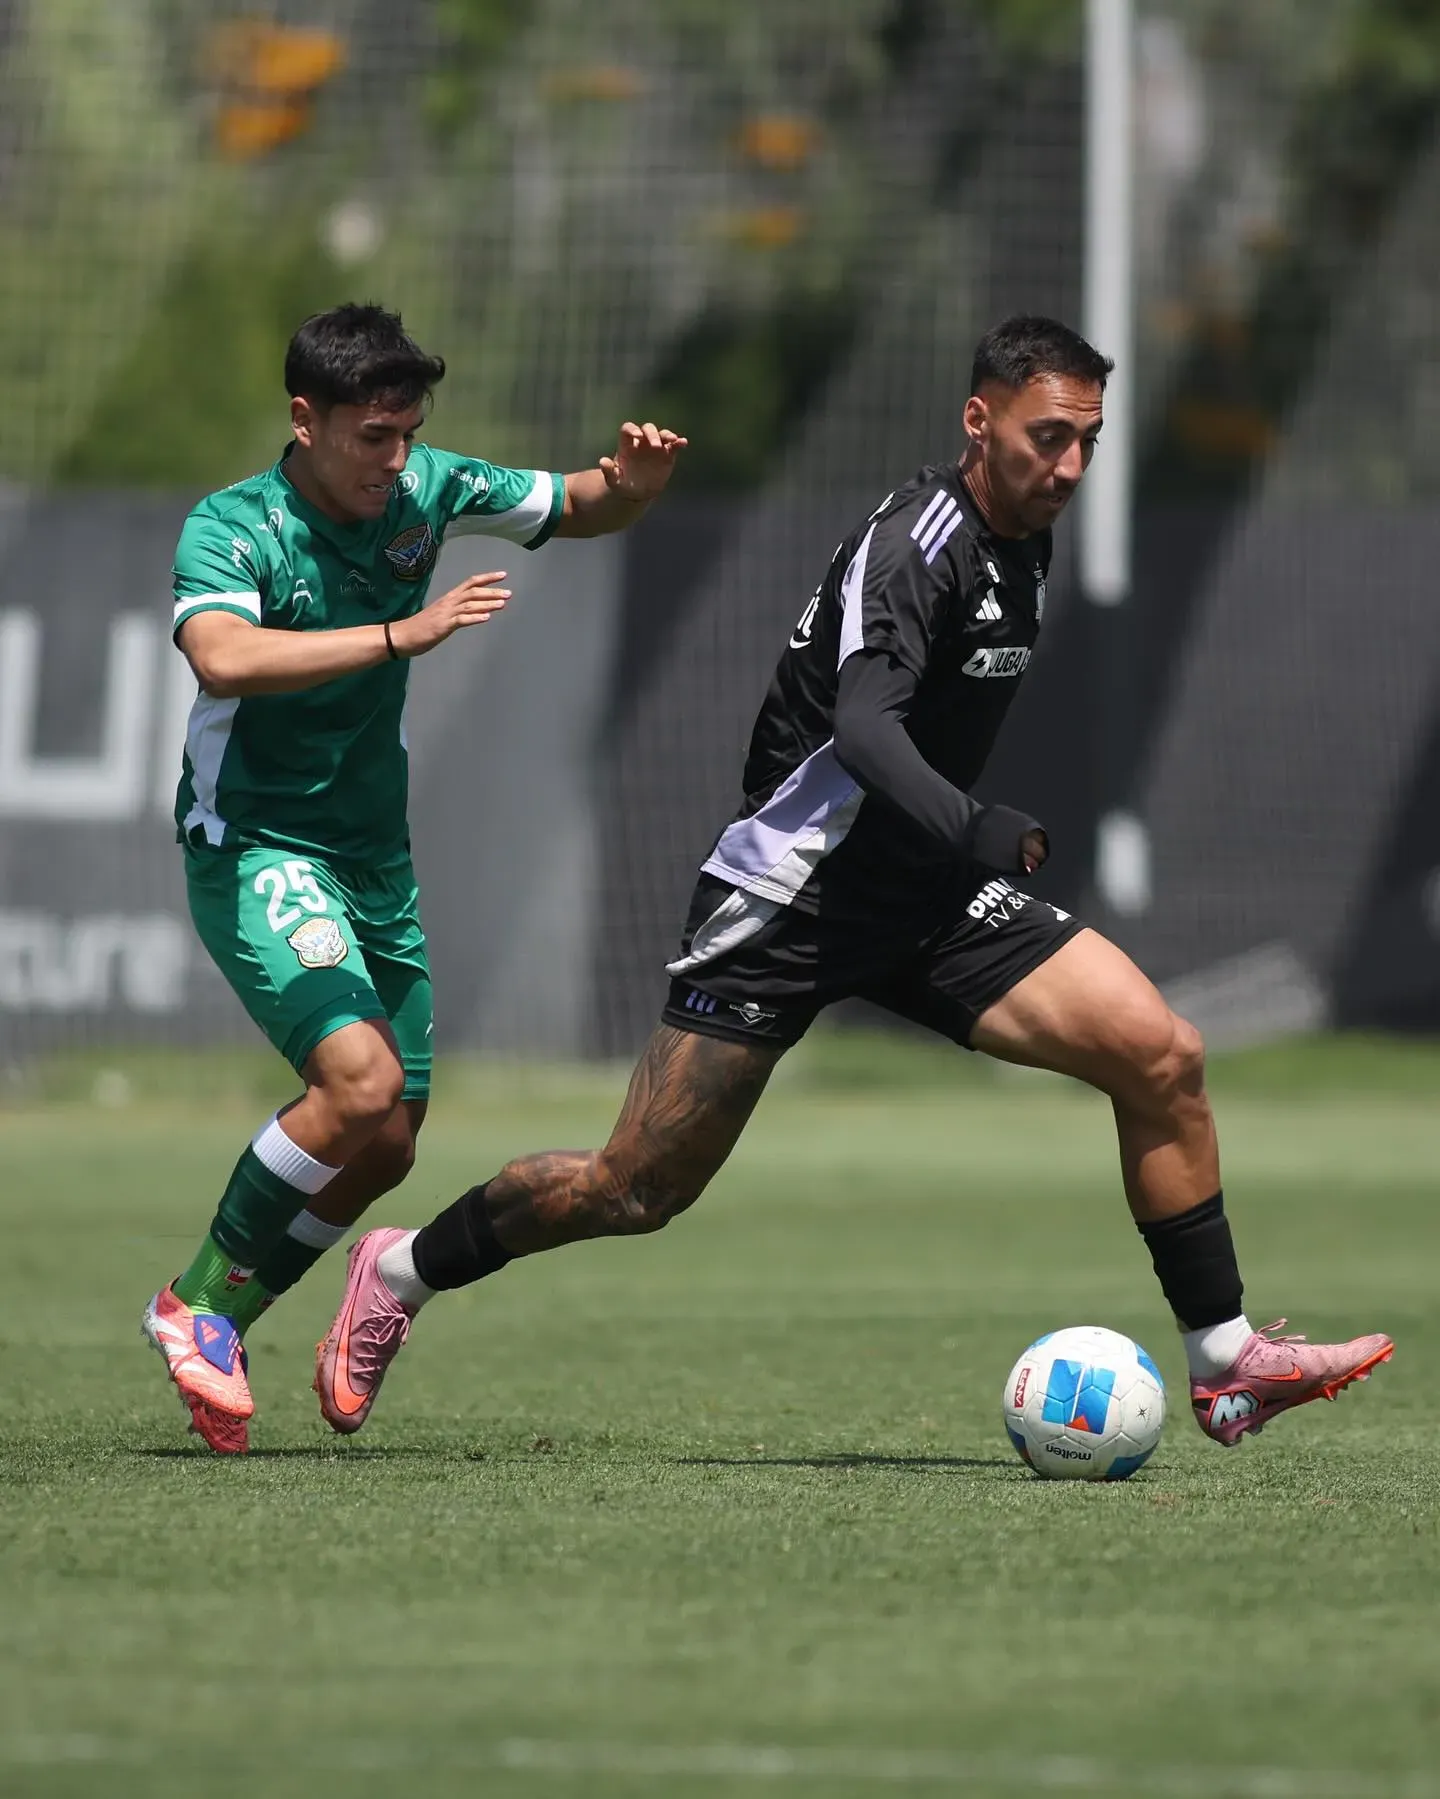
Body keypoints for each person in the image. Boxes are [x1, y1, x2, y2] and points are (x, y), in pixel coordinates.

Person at [314, 314, 1391, 1449]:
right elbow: (868, 730)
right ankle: (401, 1268)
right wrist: (969, 823)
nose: (1070, 464)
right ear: (979, 420)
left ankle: (1223, 1362)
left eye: (1089, 440)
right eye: (1049, 436)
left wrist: (947, 847)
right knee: (635, 1188)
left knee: (1161, 1053)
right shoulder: (917, 542)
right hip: (788, 900)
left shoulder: (1027, 528)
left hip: (922, 898)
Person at [143, 301, 686, 1453]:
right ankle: (191, 1303)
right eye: (372, 437)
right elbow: (223, 654)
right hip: (258, 844)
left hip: (372, 859)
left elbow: (572, 503)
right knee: (356, 1082)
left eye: (407, 433)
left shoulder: (428, 487)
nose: (396, 461)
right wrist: (401, 635)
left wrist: (630, 484)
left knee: (390, 1138)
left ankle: (235, 1321)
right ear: (306, 418)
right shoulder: (235, 526)